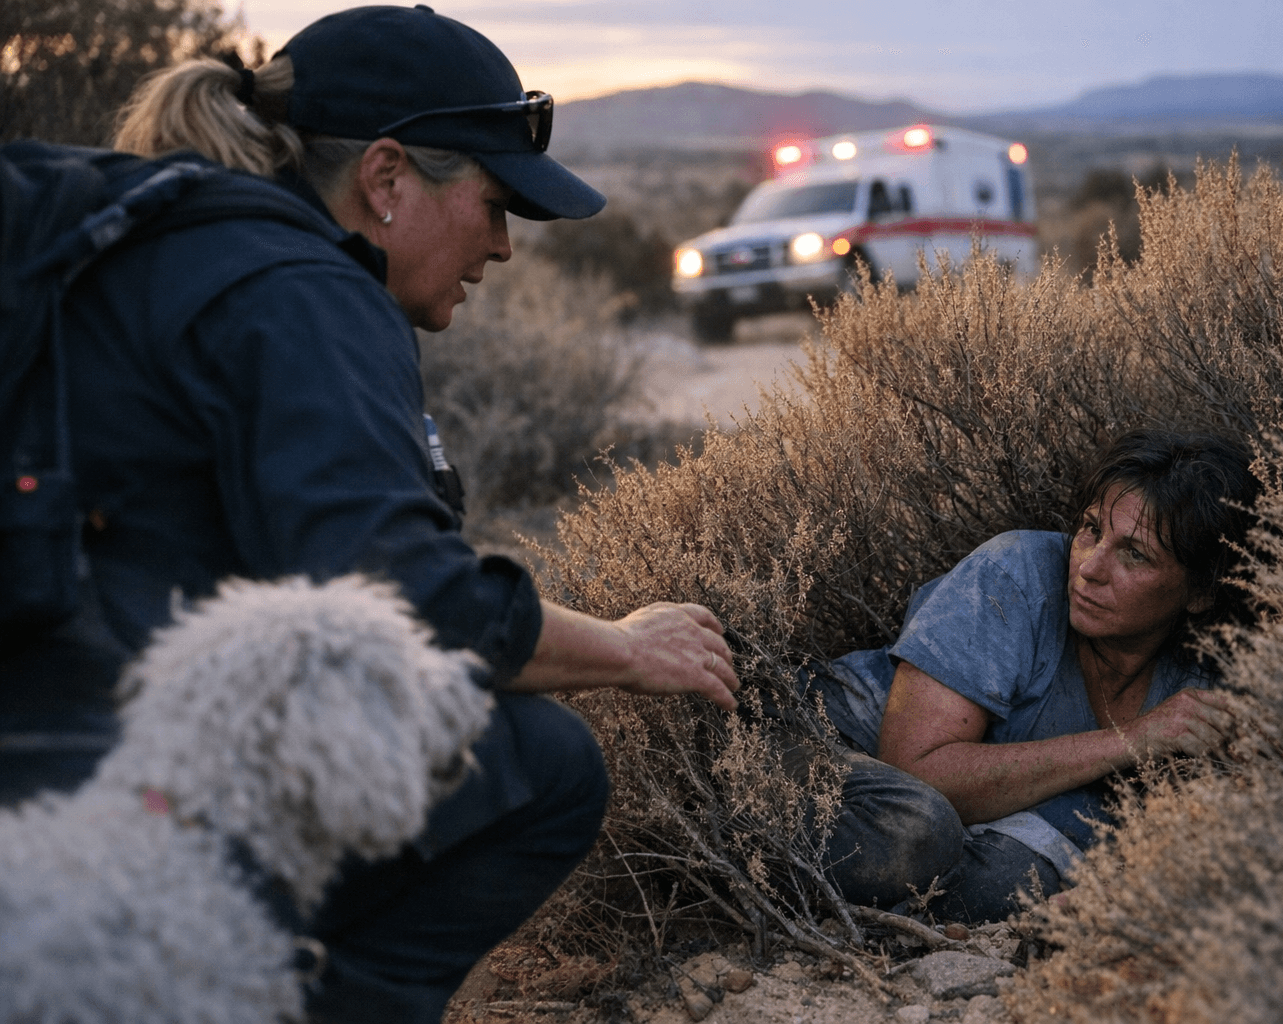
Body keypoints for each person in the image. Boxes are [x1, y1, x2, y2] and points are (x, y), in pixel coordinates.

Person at [0, 6, 738, 1021]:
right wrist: (626, 648)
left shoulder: (171, 242)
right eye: (493, 202)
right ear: (386, 181)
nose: (504, 245)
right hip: (75, 804)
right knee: (542, 763)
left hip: (49, 728)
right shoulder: (304, 292)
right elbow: (410, 604)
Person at [807, 429, 1259, 924]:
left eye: (1134, 554)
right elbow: (914, 770)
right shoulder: (1013, 573)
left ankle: (881, 913)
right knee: (917, 830)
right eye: (1090, 530)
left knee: (1021, 875)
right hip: (821, 742)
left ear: (1200, 592)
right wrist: (1132, 739)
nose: (1090, 567)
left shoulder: (1210, 669)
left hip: (989, 819)